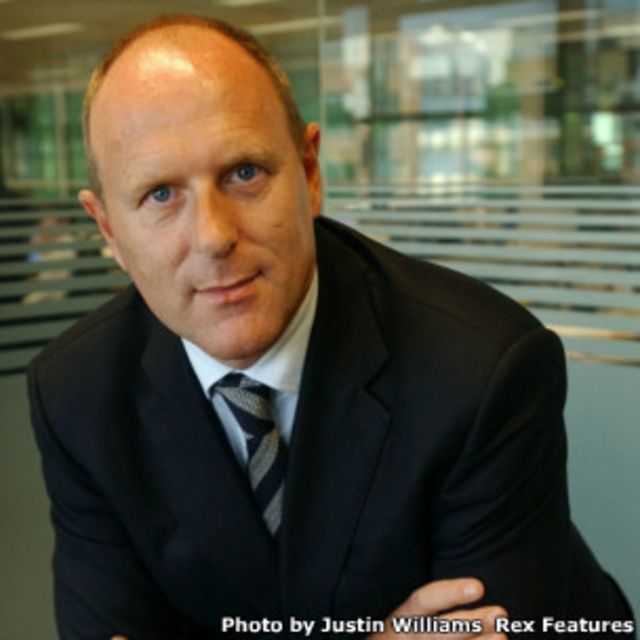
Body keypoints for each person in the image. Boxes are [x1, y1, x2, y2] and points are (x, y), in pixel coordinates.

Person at [28, 14, 634, 640]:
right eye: (160, 194)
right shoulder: (77, 393)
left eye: (244, 172)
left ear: (310, 171)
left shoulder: (479, 368)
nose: (212, 237)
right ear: (108, 230)